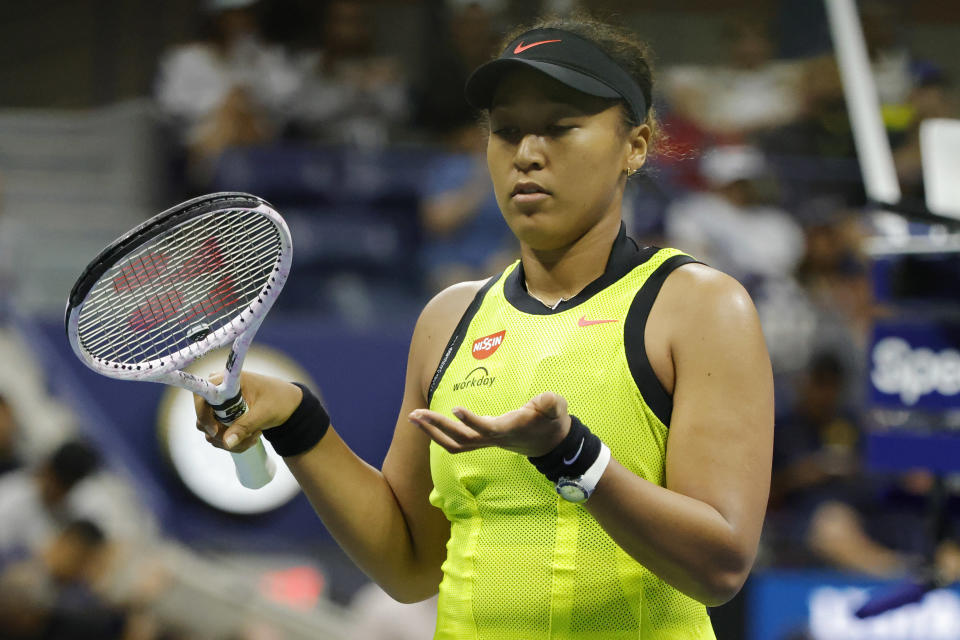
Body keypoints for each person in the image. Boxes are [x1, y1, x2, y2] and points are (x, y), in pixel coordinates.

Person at [196, 15, 774, 639]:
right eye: (506, 132)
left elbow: (721, 565)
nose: (527, 153)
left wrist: (572, 458)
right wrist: (298, 421)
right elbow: (411, 564)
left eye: (560, 128)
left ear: (635, 144)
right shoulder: (449, 318)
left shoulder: (699, 306)